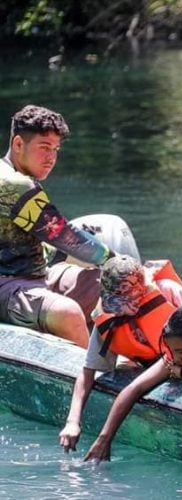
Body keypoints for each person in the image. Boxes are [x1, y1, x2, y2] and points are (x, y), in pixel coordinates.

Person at [58, 255, 182, 452]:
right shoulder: (110, 318)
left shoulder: (168, 291)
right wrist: (73, 422)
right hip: (161, 371)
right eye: (117, 302)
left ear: (144, 287)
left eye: (129, 300)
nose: (123, 308)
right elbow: (88, 372)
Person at [1, 105, 113, 347]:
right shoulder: (13, 185)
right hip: (7, 285)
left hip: (35, 275)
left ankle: (125, 359)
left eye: (55, 149)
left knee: (108, 285)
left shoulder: (18, 177)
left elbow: (34, 242)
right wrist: (116, 260)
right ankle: (90, 380)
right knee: (69, 313)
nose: (51, 158)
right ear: (18, 144)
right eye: (44, 147)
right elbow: (64, 236)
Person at [83, 305, 182, 462]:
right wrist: (104, 438)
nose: (177, 359)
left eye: (181, 352)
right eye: (172, 351)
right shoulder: (177, 351)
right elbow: (134, 388)